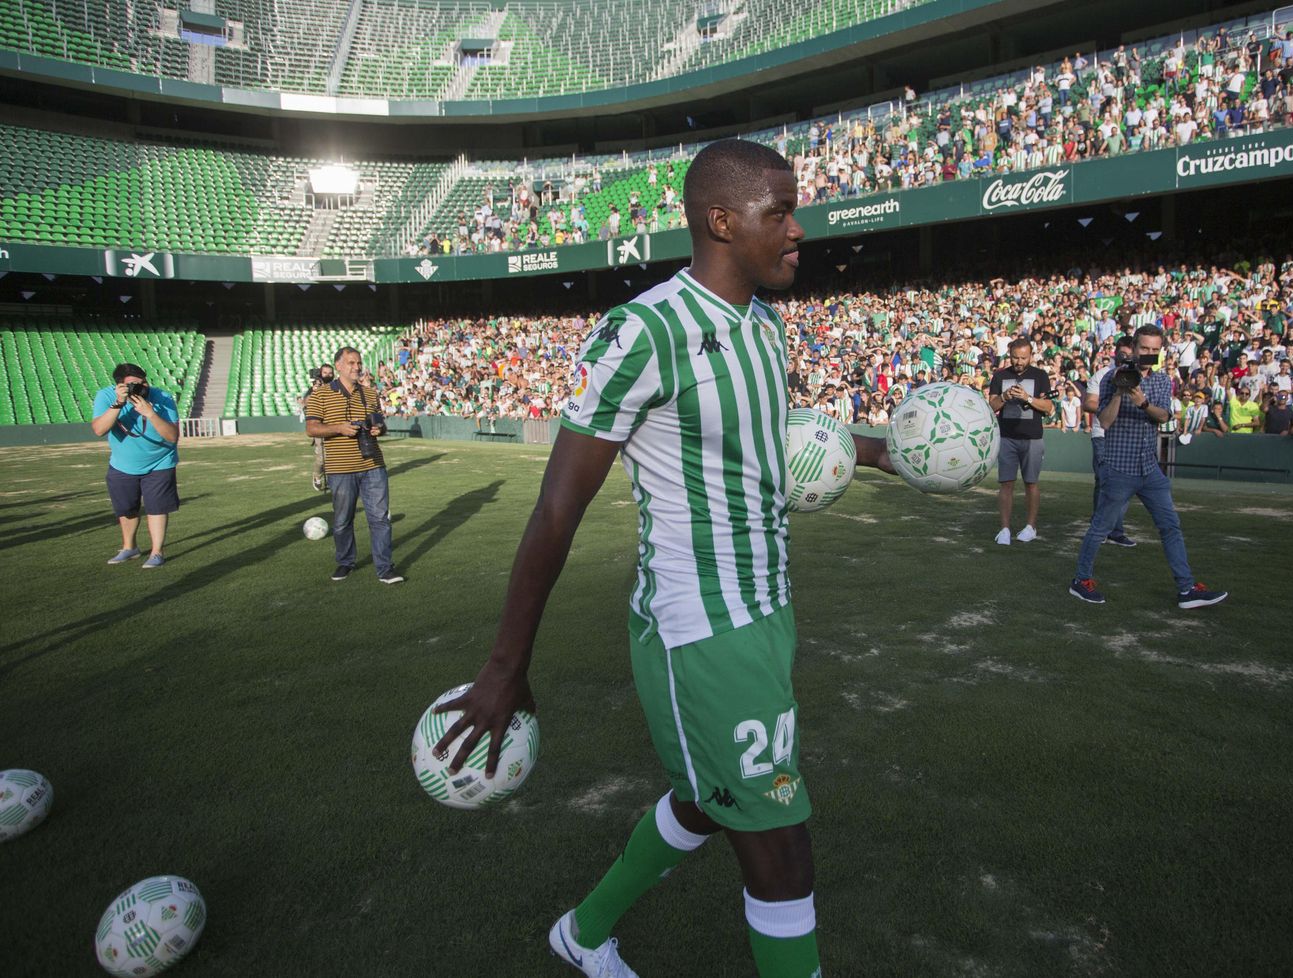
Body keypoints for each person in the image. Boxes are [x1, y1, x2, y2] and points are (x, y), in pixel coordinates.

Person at [431, 139, 897, 978]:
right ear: (721, 220)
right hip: (700, 629)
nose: (799, 230)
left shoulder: (764, 322)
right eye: (780, 212)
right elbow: (556, 510)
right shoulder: (644, 331)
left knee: (707, 800)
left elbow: (769, 443)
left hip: (768, 610)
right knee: (779, 842)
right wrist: (504, 666)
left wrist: (887, 452)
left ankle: (584, 930)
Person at [1069, 325, 1227, 609]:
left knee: (1170, 526)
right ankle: (1081, 581)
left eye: (1155, 350)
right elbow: (1104, 421)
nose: (1150, 355)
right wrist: (1120, 392)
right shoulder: (1110, 378)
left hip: (1150, 468)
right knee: (1100, 528)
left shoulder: (1162, 381)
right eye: (1145, 349)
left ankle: (1186, 588)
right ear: (1134, 348)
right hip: (1119, 466)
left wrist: (1142, 402)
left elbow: (1164, 415)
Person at [303, 347, 403, 584]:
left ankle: (385, 568)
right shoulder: (321, 395)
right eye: (350, 363)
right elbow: (311, 428)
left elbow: (380, 424)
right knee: (342, 520)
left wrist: (379, 429)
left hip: (374, 465)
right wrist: (339, 428)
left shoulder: (370, 394)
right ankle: (345, 562)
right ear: (338, 366)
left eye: (358, 363)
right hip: (340, 468)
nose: (356, 367)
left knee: (380, 518)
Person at [90, 363, 181, 568]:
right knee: (126, 508)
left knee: (156, 507)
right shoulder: (105, 396)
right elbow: (98, 430)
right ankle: (129, 547)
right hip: (123, 463)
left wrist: (150, 413)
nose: (140, 388)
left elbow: (172, 436)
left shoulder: (163, 397)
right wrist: (118, 403)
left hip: (160, 461)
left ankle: (157, 552)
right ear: (119, 385)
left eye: (142, 383)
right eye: (132, 385)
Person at [988, 337, 1055, 544]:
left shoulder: (1040, 375)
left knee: (1031, 483)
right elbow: (991, 406)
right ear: (1009, 356)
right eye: (1015, 358)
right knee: (1006, 483)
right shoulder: (1000, 376)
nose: (1019, 362)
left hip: (1032, 437)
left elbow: (1048, 407)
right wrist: (1005, 397)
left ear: (1031, 356)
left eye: (1023, 358)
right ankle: (1005, 529)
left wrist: (1027, 398)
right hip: (1006, 436)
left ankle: (1030, 526)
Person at [1085, 337, 1137, 548]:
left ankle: (1109, 528)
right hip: (1103, 433)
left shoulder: (1138, 376)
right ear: (1115, 353)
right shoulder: (1102, 374)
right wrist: (1111, 404)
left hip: (1127, 434)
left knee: (1122, 484)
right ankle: (1106, 528)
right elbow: (1089, 403)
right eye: (1122, 354)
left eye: (1129, 355)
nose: (1125, 359)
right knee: (1105, 481)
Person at [306, 363, 334, 492]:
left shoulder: (335, 386)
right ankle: (317, 476)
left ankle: (333, 479)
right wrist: (315, 390)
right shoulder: (315, 387)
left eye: (330, 373)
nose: (328, 375)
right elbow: (306, 402)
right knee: (322, 457)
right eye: (325, 373)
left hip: (333, 424)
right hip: (319, 426)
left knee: (333, 456)